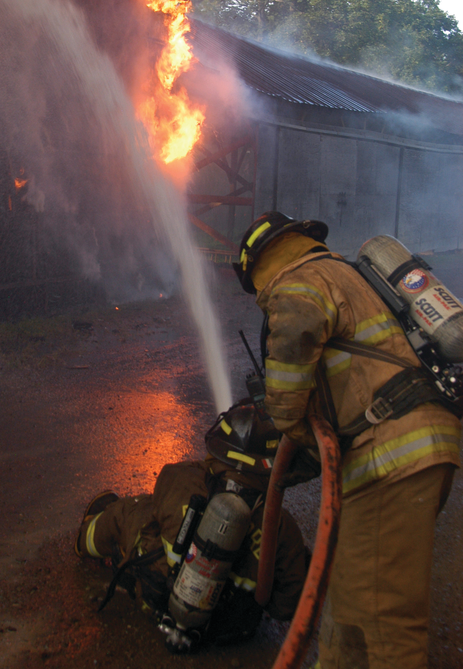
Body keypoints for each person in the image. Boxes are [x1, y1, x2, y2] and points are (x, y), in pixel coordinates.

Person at [234, 211, 461, 669]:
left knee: (384, 619)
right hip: (403, 449)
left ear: (258, 265)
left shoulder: (298, 279)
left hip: (391, 454)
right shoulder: (343, 272)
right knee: (352, 597)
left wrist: (293, 431)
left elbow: (294, 348)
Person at [75, 398, 309, 646]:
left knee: (133, 510)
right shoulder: (283, 530)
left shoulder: (183, 479)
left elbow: (163, 502)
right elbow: (286, 608)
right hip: (228, 632)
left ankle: (84, 540)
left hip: (159, 602)